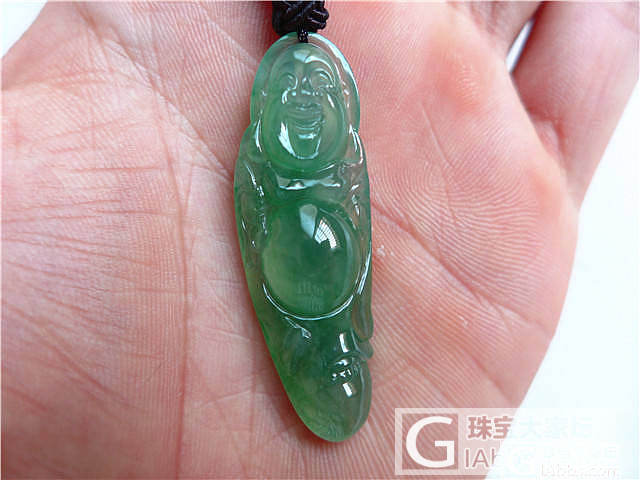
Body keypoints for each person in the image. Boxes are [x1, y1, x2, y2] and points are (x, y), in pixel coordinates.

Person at [2, 2, 637, 477]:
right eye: (291, 90)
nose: (304, 99)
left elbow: (355, 253)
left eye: (320, 90)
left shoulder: (345, 175)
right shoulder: (259, 175)